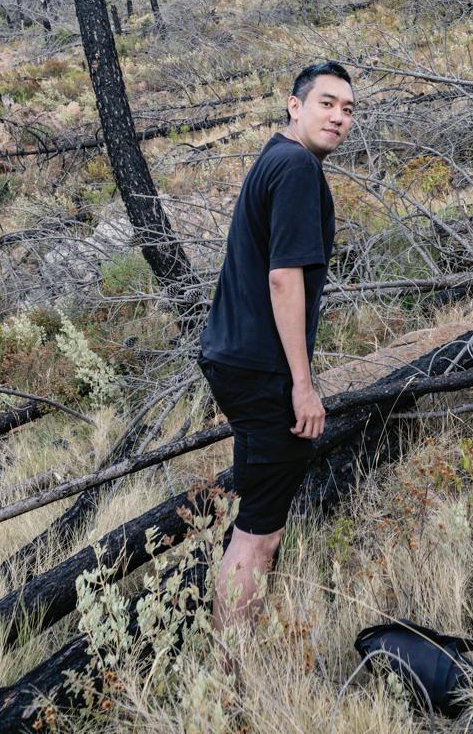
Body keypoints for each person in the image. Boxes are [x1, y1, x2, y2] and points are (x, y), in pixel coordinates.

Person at [198, 61, 355, 630]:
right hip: (262, 370)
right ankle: (232, 665)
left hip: (236, 359)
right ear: (295, 105)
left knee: (254, 514)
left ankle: (229, 652)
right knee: (259, 535)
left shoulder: (275, 156)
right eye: (326, 104)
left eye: (347, 109)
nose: (338, 118)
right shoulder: (296, 169)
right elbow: (283, 279)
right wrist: (302, 387)